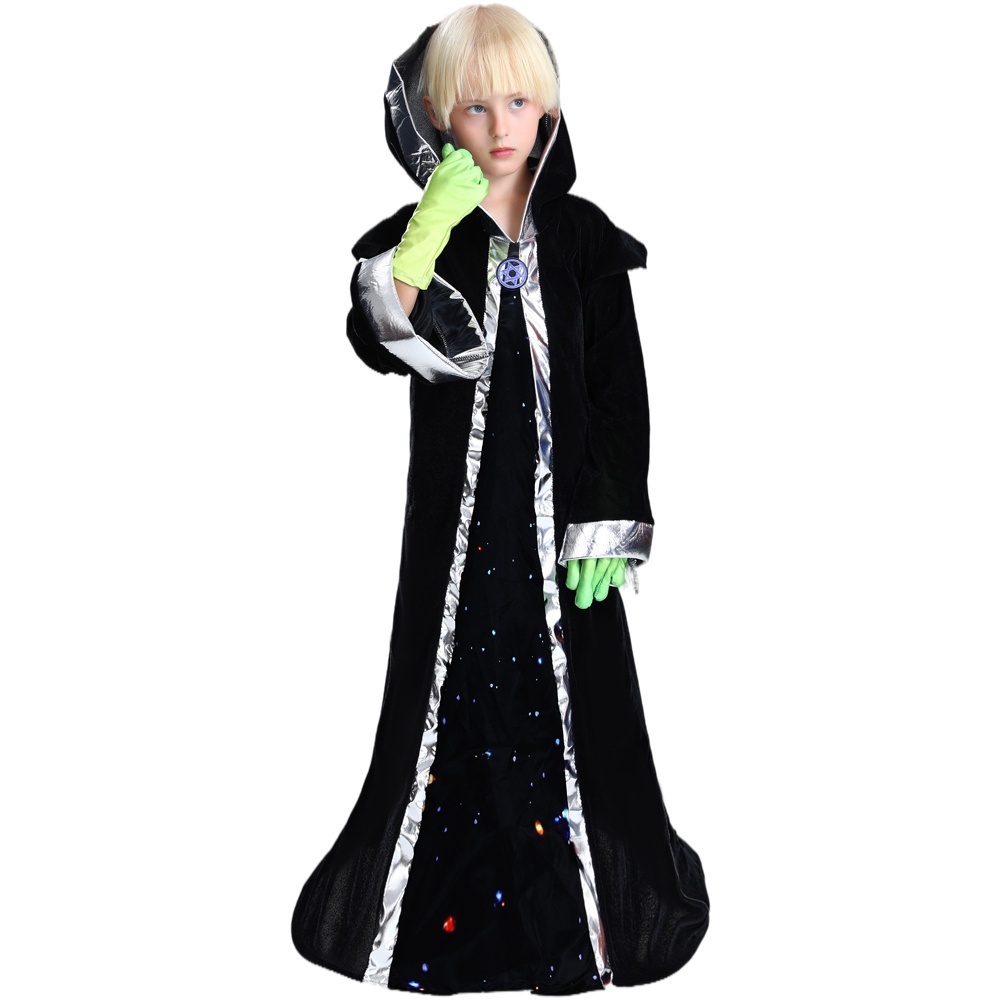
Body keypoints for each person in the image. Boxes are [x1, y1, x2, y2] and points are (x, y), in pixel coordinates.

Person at [291, 5, 710, 993]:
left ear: (548, 106)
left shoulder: (583, 240)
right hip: (461, 542)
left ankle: (581, 921)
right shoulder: (425, 236)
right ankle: (445, 915)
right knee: (457, 701)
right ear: (441, 119)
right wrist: (425, 235)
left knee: (578, 715)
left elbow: (619, 392)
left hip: (562, 538)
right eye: (475, 107)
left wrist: (610, 514)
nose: (500, 124)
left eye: (518, 101)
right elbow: (377, 338)